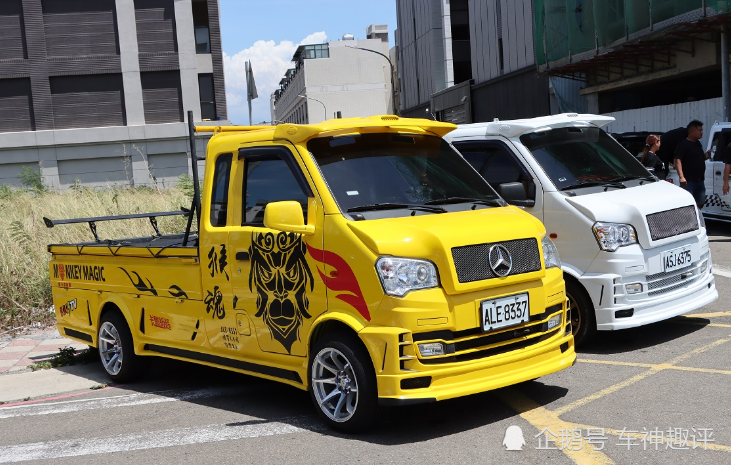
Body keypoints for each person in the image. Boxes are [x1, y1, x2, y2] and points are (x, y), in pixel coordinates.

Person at [674, 120, 710, 208]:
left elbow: (699, 158)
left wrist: (706, 156)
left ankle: (697, 220)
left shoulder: (698, 144)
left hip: (700, 181)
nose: (701, 132)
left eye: (702, 130)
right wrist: (681, 177)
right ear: (692, 131)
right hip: (689, 182)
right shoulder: (684, 144)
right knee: (688, 205)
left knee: (700, 203)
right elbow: (677, 159)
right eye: (699, 130)